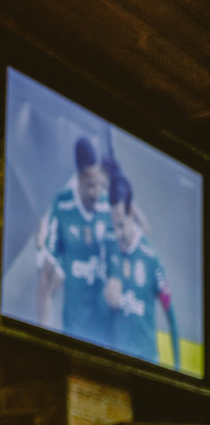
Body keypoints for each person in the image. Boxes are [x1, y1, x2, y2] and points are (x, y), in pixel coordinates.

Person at [36, 136, 114, 345]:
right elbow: (47, 274)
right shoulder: (62, 205)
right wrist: (42, 329)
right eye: (90, 185)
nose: (96, 192)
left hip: (107, 331)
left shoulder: (108, 206)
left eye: (99, 184)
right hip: (74, 330)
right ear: (78, 178)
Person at [103, 172, 178, 367]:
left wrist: (178, 368)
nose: (117, 233)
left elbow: (170, 313)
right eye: (114, 225)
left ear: (131, 213)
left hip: (146, 364)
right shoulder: (110, 241)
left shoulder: (151, 257)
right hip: (114, 362)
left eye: (121, 225)